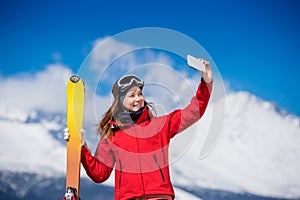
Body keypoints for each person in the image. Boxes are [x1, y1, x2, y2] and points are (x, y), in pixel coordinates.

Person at [66, 58, 213, 200]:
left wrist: (206, 83)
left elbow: (194, 111)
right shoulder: (113, 135)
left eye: (140, 93)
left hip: (158, 196)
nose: (138, 99)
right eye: (132, 95)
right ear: (121, 102)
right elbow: (99, 174)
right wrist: (81, 147)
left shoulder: (161, 125)